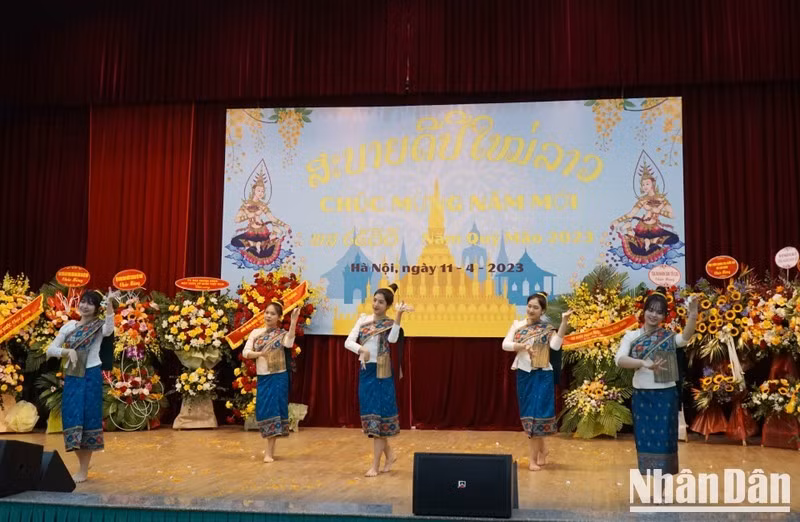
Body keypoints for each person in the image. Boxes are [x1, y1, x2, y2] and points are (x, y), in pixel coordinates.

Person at [615, 286, 698, 475]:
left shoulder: (668, 337)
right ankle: (650, 487)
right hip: (642, 397)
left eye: (659, 312)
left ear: (665, 316)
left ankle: (662, 491)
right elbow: (620, 360)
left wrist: (693, 314)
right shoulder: (631, 336)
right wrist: (644, 363)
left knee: (665, 444)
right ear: (643, 311)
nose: (654, 315)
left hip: (665, 397)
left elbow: (685, 337)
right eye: (650, 310)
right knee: (645, 442)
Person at [46, 287, 121, 483]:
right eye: (83, 302)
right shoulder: (69, 327)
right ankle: (82, 463)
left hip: (91, 375)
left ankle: (83, 469)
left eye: (91, 303)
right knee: (72, 417)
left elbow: (109, 328)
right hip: (73, 376)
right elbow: (51, 349)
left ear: (97, 308)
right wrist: (66, 352)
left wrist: (110, 305)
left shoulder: (98, 327)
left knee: (88, 419)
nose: (85, 306)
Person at [344, 283, 411, 477]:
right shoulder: (363, 321)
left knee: (379, 419)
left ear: (388, 306)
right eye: (374, 300)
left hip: (382, 374)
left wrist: (398, 317)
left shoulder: (390, 324)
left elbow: (392, 340)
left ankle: (375, 465)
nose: (376, 304)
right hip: (366, 373)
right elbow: (348, 342)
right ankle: (390, 455)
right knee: (372, 418)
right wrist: (361, 349)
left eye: (381, 302)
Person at [502, 291, 572, 471]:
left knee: (536, 416)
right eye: (529, 306)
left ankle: (532, 460)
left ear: (542, 311)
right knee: (529, 416)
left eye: (536, 307)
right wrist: (522, 346)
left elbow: (556, 345)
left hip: (543, 375)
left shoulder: (547, 328)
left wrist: (564, 323)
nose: (531, 310)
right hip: (525, 375)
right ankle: (543, 450)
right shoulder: (518, 325)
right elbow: (505, 344)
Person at [242, 299, 301, 462]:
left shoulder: (281, 334)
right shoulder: (255, 333)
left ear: (279, 317)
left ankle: (269, 452)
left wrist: (294, 321)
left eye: (272, 314)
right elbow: (246, 352)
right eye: (266, 312)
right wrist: (259, 354)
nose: (268, 316)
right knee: (264, 411)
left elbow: (289, 343)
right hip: (263, 378)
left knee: (274, 411)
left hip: (278, 377)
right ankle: (269, 449)